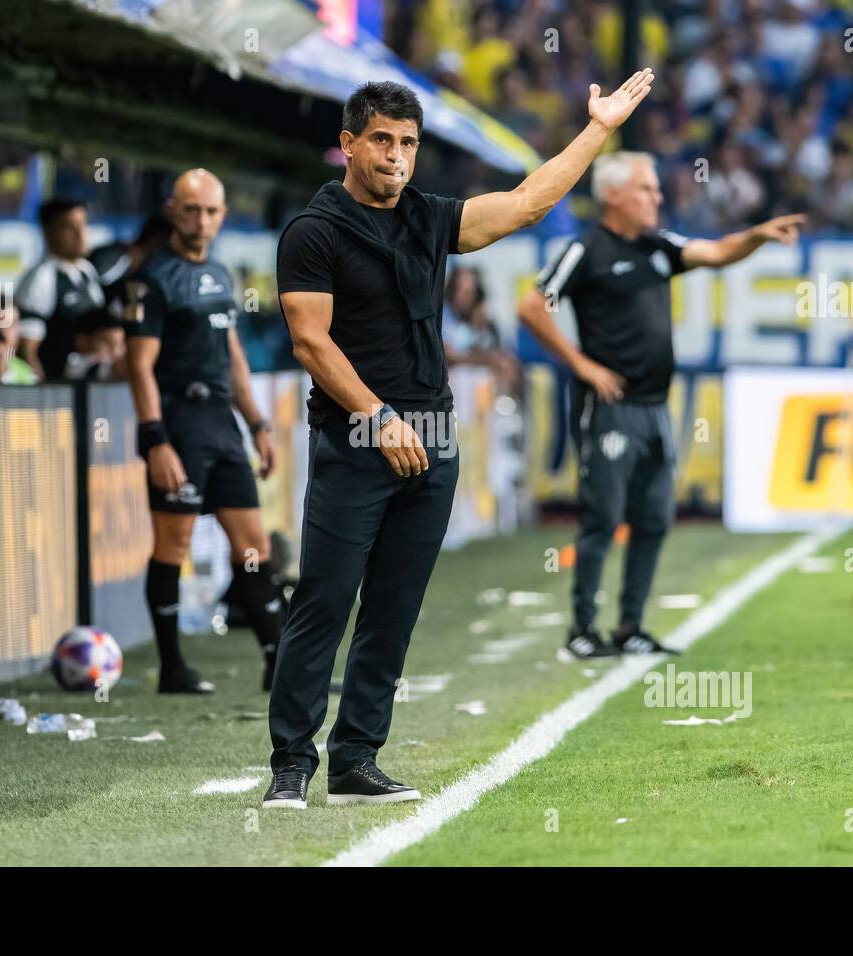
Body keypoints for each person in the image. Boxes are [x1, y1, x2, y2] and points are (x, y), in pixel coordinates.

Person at [264, 71, 655, 810]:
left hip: (434, 443)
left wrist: (598, 129)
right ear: (348, 144)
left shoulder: (425, 216)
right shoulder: (313, 232)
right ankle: (291, 763)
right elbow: (311, 343)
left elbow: (528, 202)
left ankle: (355, 759)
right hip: (357, 441)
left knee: (393, 608)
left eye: (408, 142)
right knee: (325, 599)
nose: (396, 155)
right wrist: (379, 418)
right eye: (381, 140)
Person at [518, 151, 803, 659]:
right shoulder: (585, 250)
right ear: (614, 196)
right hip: (609, 407)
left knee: (652, 519)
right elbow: (532, 306)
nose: (658, 197)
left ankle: (630, 626)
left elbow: (715, 254)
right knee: (602, 518)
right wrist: (581, 365)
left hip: (655, 407)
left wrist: (757, 235)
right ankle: (582, 631)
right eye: (647, 189)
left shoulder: (658, 245)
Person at [125, 168, 283, 695]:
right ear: (173, 211)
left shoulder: (220, 273)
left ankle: (277, 663)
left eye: (211, 211)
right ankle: (172, 668)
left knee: (254, 542)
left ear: (222, 216)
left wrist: (257, 423)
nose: (201, 220)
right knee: (176, 541)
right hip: (179, 424)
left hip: (222, 425)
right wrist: (155, 439)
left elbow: (233, 354)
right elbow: (138, 365)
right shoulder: (151, 280)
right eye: (191, 210)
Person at [14, 198, 105, 380]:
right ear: (48, 232)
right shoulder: (41, 278)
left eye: (83, 225)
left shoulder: (87, 271)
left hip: (93, 387)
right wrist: (45, 396)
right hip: (61, 390)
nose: (80, 234)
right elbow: (26, 349)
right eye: (70, 228)